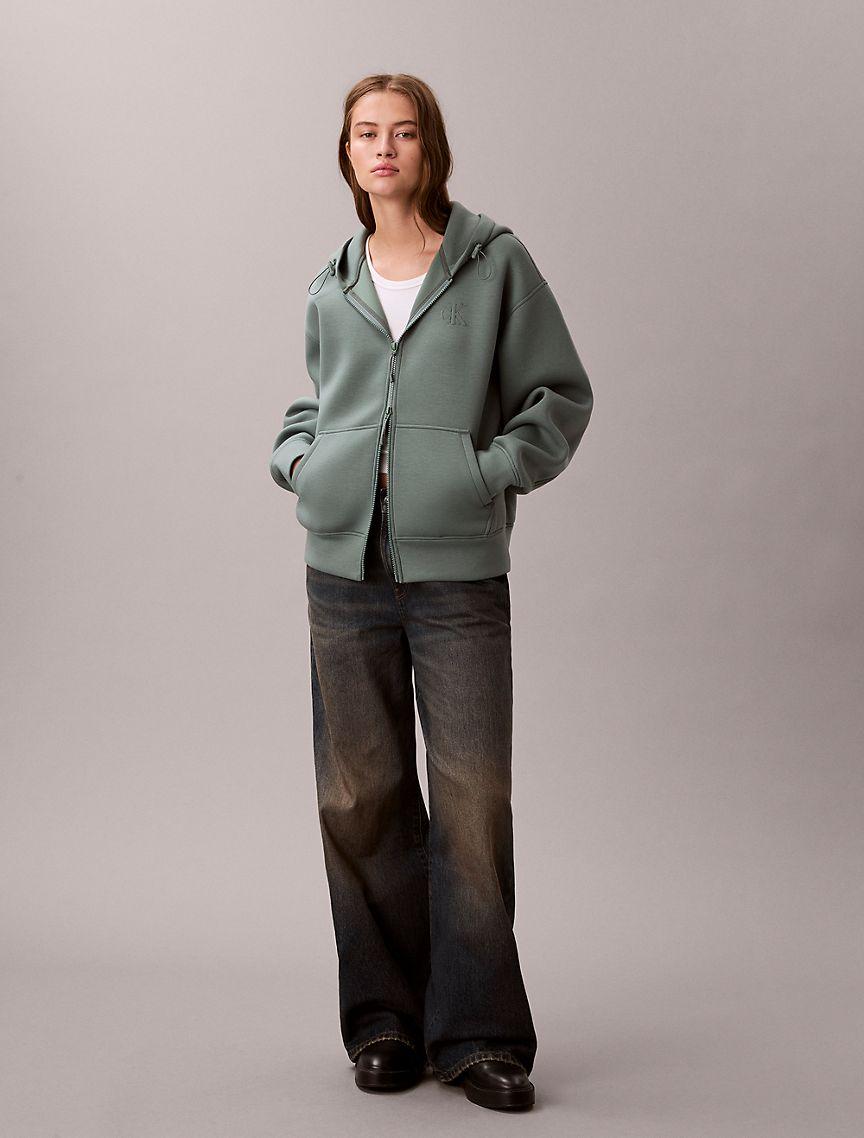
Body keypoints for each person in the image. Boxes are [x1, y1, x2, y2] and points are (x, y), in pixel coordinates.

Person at [269, 73, 593, 1112]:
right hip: (343, 574)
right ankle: (384, 1022)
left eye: (402, 132)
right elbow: (318, 405)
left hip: (457, 576)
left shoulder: (493, 263)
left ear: (429, 148)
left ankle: (480, 1033)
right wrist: (303, 463)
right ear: (347, 152)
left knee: (469, 802)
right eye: (366, 132)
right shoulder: (333, 283)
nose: (384, 148)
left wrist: (485, 475)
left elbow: (559, 394)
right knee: (358, 799)